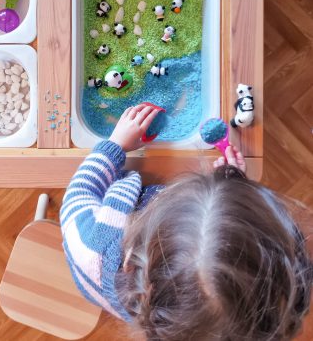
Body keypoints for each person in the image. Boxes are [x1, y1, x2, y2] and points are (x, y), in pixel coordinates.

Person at [60, 104, 312, 340]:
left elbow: (78, 194)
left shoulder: (96, 245)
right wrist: (234, 190)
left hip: (93, 272)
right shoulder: (180, 325)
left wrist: (113, 146)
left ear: (130, 264)